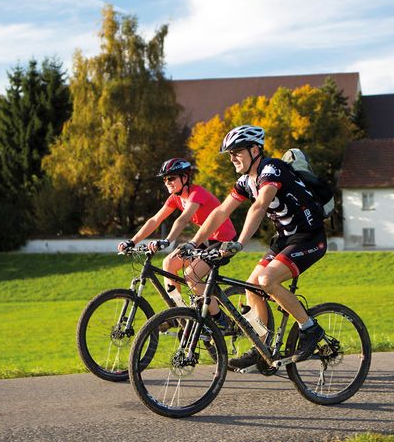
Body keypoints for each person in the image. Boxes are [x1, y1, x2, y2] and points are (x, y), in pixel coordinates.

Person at [179, 125, 328, 370]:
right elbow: (221, 212)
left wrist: (239, 243)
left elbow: (259, 205)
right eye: (230, 154)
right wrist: (193, 242)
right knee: (252, 286)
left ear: (255, 150)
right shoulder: (245, 181)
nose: (232, 158)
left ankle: (310, 328)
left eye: (237, 152)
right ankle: (262, 347)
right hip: (284, 240)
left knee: (267, 280)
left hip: (309, 237)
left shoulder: (273, 169)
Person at [117, 157, 236, 330]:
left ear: (185, 177)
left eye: (171, 178)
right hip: (205, 240)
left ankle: (222, 321)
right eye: (165, 179)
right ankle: (178, 314)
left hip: (224, 241)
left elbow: (183, 219)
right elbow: (155, 220)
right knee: (169, 263)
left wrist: (167, 240)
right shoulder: (175, 198)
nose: (167, 182)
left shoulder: (197, 193)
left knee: (191, 276)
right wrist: (132, 241)